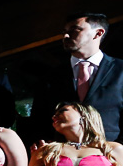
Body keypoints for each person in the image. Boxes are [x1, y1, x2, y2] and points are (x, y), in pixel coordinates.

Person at [31, 13, 123, 145]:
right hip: (63, 156)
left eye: (74, 30)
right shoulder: (51, 76)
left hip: (113, 155)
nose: (66, 36)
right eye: (65, 32)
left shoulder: (120, 70)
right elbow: (39, 119)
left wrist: (117, 152)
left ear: (98, 33)